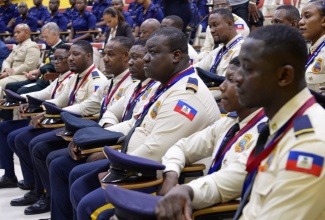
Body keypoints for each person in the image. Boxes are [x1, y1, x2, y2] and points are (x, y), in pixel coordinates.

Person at [156, 24, 325, 219]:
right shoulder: (282, 124)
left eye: (248, 69)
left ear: (284, 76)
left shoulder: (310, 144)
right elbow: (233, 176)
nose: (238, 79)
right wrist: (188, 191)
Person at [69, 27, 220, 220]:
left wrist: (112, 162)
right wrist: (95, 139)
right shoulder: (164, 85)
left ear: (176, 56)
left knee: (89, 204)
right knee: (78, 181)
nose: (146, 58)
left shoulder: (187, 95)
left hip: (157, 175)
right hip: (132, 161)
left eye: (154, 52)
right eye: (146, 52)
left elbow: (155, 152)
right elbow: (134, 123)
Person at [49, 39, 161, 220]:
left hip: (130, 154)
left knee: (62, 165)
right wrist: (103, 136)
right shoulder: (133, 85)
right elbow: (110, 112)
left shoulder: (153, 88)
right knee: (57, 161)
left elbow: (137, 127)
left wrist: (105, 145)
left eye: (138, 58)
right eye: (104, 54)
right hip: (114, 140)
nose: (106, 59)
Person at [9, 40, 106, 215]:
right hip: (68, 124)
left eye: (75, 55)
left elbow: (87, 109)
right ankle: (43, 193)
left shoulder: (97, 80)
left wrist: (48, 112)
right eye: (70, 55)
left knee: (38, 146)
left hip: (82, 129)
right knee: (28, 141)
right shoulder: (75, 77)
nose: (70, 59)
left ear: (89, 56)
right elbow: (58, 100)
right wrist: (34, 104)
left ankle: (47, 196)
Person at [157, 56, 267, 196]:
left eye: (232, 80)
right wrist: (171, 174)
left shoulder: (265, 133)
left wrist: (185, 192)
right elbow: (182, 147)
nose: (222, 86)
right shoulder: (230, 123)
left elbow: (228, 183)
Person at [0, 44, 74, 190]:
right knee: (3, 127)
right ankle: (10, 175)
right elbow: (44, 93)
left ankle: (35, 184)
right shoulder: (62, 78)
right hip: (48, 117)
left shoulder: (72, 78)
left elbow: (59, 103)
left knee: (20, 138)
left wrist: (41, 109)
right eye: (54, 58)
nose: (56, 62)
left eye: (60, 58)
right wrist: (20, 99)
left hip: (56, 121)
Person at [6, 22, 64, 95]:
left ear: (55, 34)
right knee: (10, 86)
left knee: (21, 91)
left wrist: (38, 71)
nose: (44, 40)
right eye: (43, 37)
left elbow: (53, 65)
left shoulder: (62, 49)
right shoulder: (52, 48)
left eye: (46, 37)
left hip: (48, 82)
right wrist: (35, 75)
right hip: (40, 79)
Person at [0, 24, 40, 98]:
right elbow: (7, 61)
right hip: (13, 74)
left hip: (24, 75)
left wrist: (9, 73)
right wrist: (6, 69)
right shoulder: (17, 46)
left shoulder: (32, 46)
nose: (15, 35)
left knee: (0, 84)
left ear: (27, 33)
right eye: (14, 32)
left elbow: (28, 66)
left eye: (18, 32)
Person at [300, 0, 325, 92]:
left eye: (307, 16)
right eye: (301, 17)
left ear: (324, 21)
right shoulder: (314, 49)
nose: (301, 22)